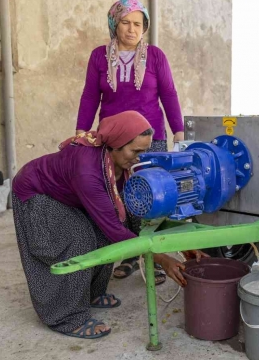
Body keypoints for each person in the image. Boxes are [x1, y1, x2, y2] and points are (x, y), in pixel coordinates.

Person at [12, 111, 205, 339]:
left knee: (101, 236)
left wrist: (180, 245)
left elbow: (135, 213)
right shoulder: (88, 170)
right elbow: (114, 229)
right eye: (136, 151)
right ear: (116, 145)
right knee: (77, 240)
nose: (139, 158)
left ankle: (93, 293)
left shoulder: (117, 163)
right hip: (36, 192)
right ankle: (66, 317)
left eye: (144, 151)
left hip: (66, 194)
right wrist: (162, 257)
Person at [75, 0, 184, 281]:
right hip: (114, 140)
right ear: (114, 24)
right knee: (120, 196)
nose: (132, 29)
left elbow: (169, 95)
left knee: (152, 198)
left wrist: (179, 130)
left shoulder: (156, 56)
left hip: (149, 139)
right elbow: (90, 96)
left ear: (144, 27)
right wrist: (81, 130)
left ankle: (156, 258)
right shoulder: (99, 57)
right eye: (126, 22)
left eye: (138, 23)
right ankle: (130, 254)